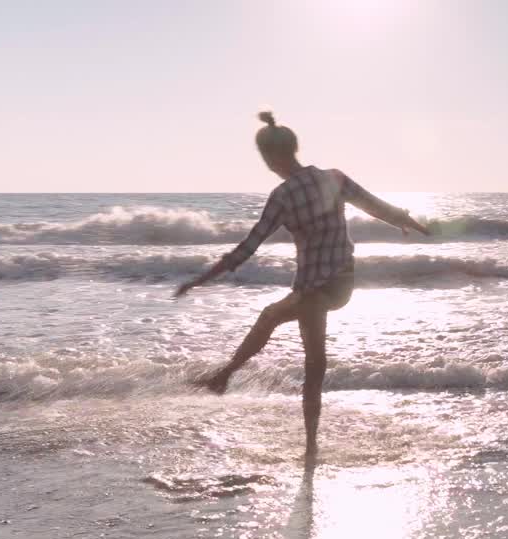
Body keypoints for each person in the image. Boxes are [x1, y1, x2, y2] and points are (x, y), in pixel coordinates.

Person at [176, 111, 430, 457]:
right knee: (270, 317)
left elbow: (246, 248)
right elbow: (373, 206)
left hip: (316, 290)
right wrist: (406, 220)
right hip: (341, 284)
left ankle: (309, 448)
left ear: (268, 158)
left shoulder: (282, 197)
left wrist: (200, 279)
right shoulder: (333, 178)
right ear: (295, 148)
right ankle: (224, 377)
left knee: (314, 362)